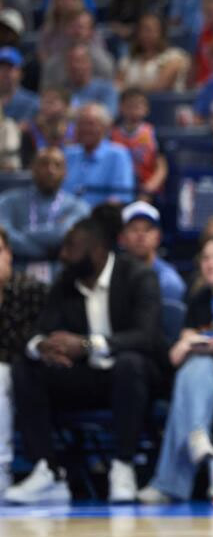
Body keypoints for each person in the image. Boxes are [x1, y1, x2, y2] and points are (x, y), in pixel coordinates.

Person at [4, 218, 164, 505]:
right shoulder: (66, 281)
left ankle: (123, 466)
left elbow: (146, 336)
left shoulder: (138, 276)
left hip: (135, 377)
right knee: (26, 367)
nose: (63, 255)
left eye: (71, 247)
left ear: (98, 251)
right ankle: (48, 470)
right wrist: (42, 346)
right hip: (86, 376)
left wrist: (87, 344)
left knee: (129, 364)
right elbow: (38, 331)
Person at [136, 236, 213, 503]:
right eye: (206, 258)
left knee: (190, 385)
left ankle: (169, 483)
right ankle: (197, 437)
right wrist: (195, 344)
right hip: (204, 380)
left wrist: (208, 343)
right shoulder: (200, 299)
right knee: (197, 366)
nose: (210, 264)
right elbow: (177, 355)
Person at [0, 228, 49, 495]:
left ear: (9, 254)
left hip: (24, 372)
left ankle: (1, 470)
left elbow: (36, 342)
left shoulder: (32, 291)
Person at [0, 148, 90, 284]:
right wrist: (49, 250)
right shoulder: (8, 201)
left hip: (63, 280)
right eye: (44, 164)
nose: (50, 170)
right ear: (33, 169)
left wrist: (23, 232)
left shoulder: (79, 206)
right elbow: (6, 237)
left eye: (57, 165)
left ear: (65, 172)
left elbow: (62, 233)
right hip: (15, 277)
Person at [62, 103, 136, 207]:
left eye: (91, 124)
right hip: (64, 215)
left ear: (105, 128)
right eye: (81, 124)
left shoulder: (118, 155)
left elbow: (121, 196)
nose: (85, 129)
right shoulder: (68, 154)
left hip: (101, 215)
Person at [119, 201, 185, 304]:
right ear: (122, 238)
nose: (141, 235)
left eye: (147, 229)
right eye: (134, 229)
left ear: (158, 237)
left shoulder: (169, 283)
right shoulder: (110, 275)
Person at [111, 89, 168, 199]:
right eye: (130, 105)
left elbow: (162, 167)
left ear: (147, 109)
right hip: (119, 189)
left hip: (146, 190)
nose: (134, 109)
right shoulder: (111, 135)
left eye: (139, 105)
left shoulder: (153, 133)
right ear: (120, 108)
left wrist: (149, 188)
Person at [0, 47, 38, 124]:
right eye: (1, 67)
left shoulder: (32, 102)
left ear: (21, 72)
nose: (5, 72)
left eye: (10, 67)